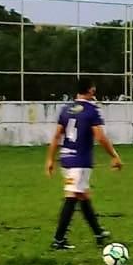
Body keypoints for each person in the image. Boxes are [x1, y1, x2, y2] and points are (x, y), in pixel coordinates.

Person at [44, 77, 122, 250]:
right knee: (72, 197)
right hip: (80, 161)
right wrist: (114, 156)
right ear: (91, 90)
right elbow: (100, 137)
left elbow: (57, 136)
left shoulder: (66, 110)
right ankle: (58, 239)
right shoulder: (91, 110)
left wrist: (50, 159)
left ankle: (98, 232)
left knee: (83, 195)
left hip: (66, 159)